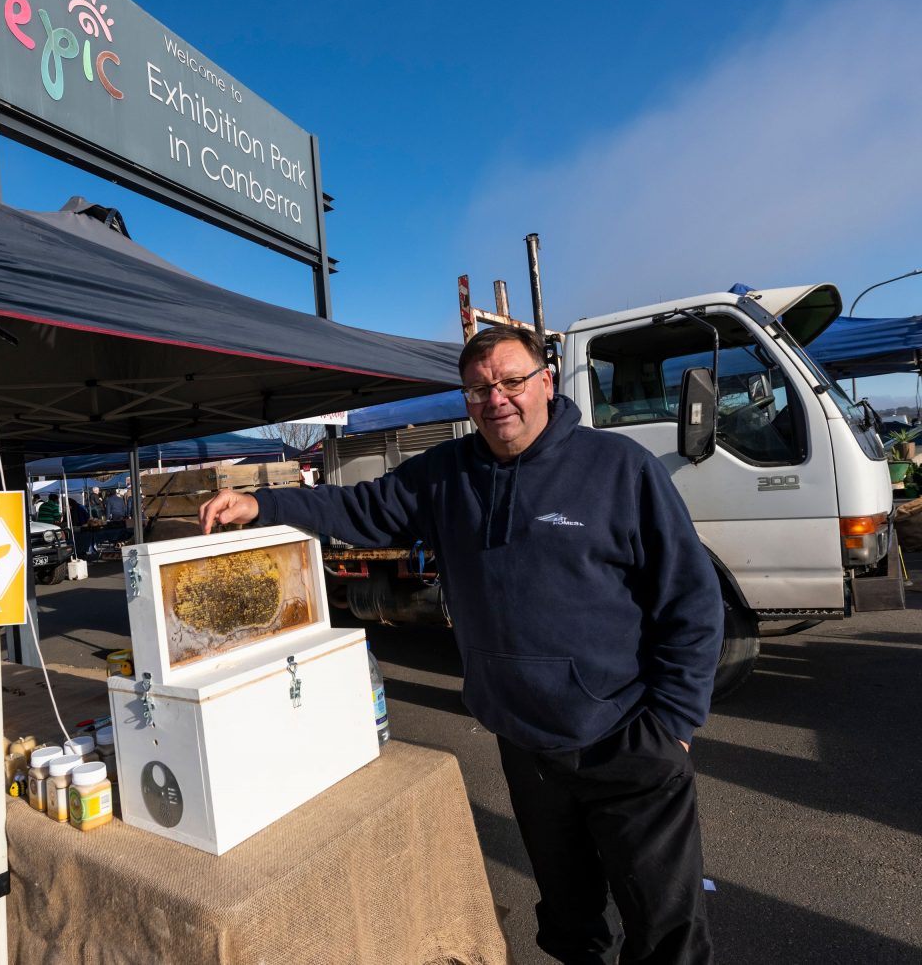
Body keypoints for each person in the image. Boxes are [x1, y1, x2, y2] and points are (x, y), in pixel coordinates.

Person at [199, 325, 723, 964]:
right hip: (526, 746)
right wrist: (261, 502)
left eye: (510, 381)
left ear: (547, 383)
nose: (495, 398)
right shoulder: (446, 475)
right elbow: (358, 507)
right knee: (569, 919)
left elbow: (691, 600)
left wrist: (673, 723)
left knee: (666, 931)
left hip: (625, 739)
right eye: (478, 389)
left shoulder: (619, 468)